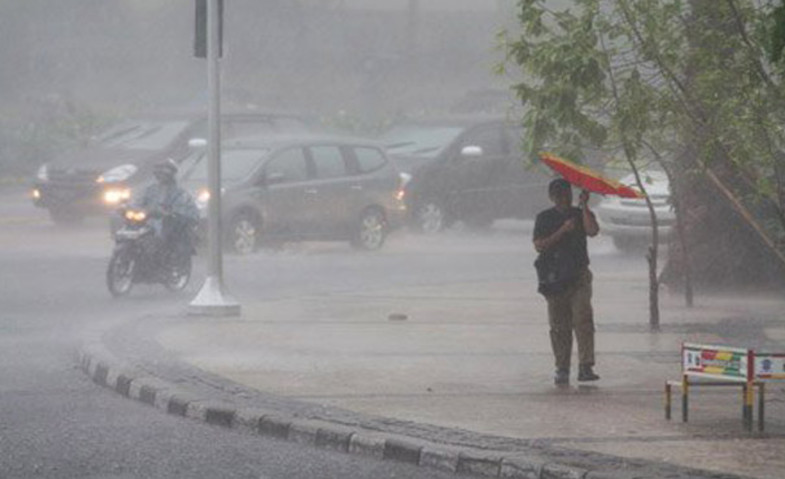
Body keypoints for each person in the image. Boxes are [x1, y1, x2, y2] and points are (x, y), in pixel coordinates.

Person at [533, 178, 600, 385]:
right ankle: (562, 367)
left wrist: (585, 206)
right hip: (554, 279)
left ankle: (586, 366)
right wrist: (562, 230)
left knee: (583, 320)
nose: (564, 199)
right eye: (560, 195)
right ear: (552, 197)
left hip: (579, 276)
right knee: (559, 326)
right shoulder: (544, 218)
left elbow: (592, 231)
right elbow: (539, 245)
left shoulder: (579, 214)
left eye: (567, 195)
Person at [133, 158, 199, 261]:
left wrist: (169, 214)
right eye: (159, 173)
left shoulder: (180, 193)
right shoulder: (150, 190)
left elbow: (187, 211)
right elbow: (138, 202)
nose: (161, 176)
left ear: (171, 174)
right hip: (149, 225)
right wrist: (130, 208)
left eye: (165, 173)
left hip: (169, 227)